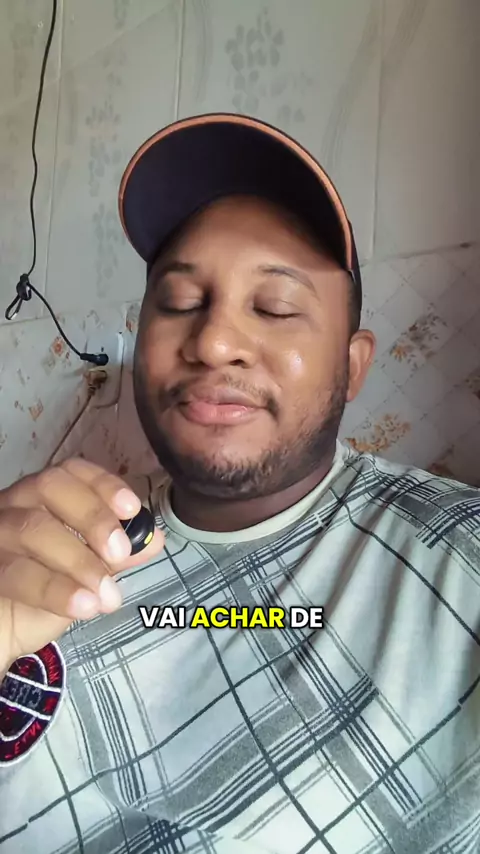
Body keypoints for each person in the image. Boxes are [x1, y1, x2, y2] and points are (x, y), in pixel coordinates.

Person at [0, 114, 479, 854]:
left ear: (352, 365)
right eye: (179, 302)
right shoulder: (48, 552)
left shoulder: (459, 557)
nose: (215, 341)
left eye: (275, 307)